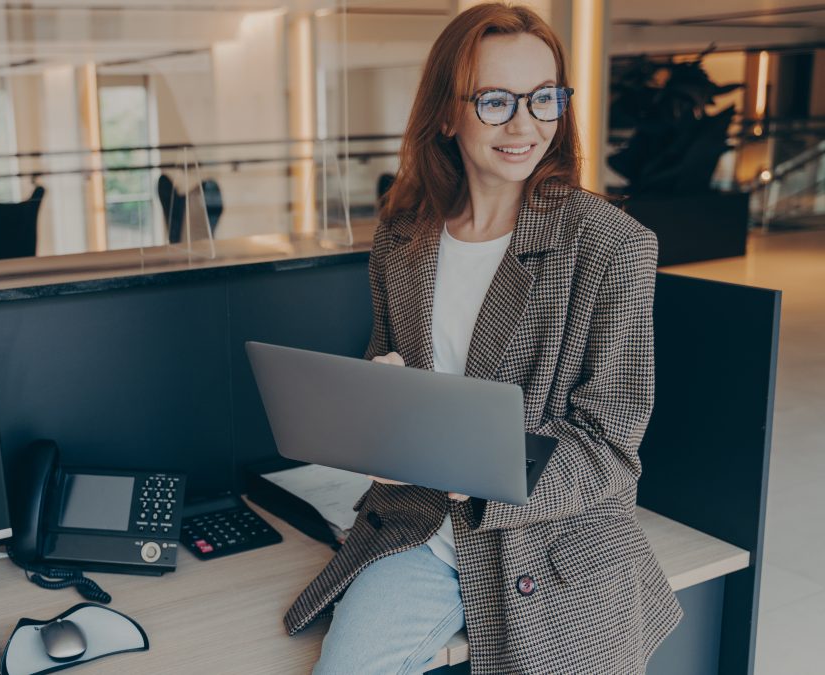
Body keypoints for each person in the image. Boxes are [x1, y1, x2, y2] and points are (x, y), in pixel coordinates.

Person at [284, 4, 683, 674]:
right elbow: (391, 368)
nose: (524, 124)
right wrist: (382, 419)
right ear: (447, 113)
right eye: (496, 101)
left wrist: (474, 470)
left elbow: (612, 443)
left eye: (543, 98)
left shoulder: (613, 246)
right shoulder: (402, 238)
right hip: (421, 531)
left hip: (551, 543)